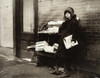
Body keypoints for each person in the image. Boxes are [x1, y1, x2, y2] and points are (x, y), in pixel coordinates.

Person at [50, 7, 80, 77]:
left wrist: (73, 39)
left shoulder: (74, 22)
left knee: (66, 57)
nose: (67, 15)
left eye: (68, 13)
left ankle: (66, 72)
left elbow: (75, 32)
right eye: (66, 13)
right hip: (62, 41)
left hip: (68, 42)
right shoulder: (66, 22)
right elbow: (61, 29)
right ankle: (56, 69)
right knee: (58, 55)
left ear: (71, 14)